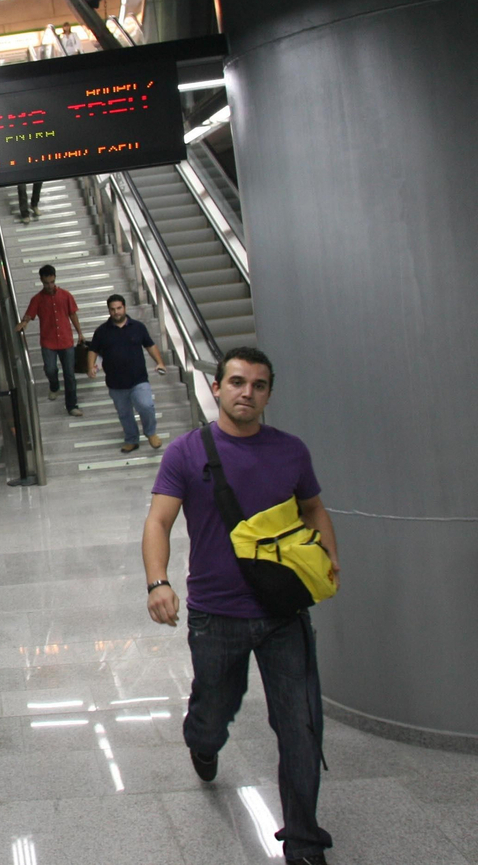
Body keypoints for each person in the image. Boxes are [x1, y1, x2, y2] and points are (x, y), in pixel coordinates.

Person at [141, 348, 340, 865]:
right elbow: (159, 522)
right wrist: (157, 582)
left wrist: (328, 556)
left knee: (299, 725)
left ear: (268, 393)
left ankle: (302, 841)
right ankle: (202, 740)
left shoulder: (291, 451)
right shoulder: (186, 452)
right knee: (213, 712)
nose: (246, 392)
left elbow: (313, 507)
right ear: (217, 386)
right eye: (236, 382)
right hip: (215, 615)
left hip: (283, 612)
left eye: (257, 384)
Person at [87, 293, 167, 452]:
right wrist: (90, 366)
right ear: (109, 311)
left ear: (124, 307)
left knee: (146, 406)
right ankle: (132, 439)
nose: (116, 312)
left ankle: (151, 433)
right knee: (124, 414)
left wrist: (160, 362)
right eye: (112, 309)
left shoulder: (138, 327)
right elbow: (93, 350)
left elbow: (150, 345)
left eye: (119, 308)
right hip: (116, 384)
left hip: (138, 380)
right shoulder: (102, 331)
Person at [15, 264, 83, 416]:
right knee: (50, 369)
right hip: (48, 342)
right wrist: (23, 323)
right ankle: (54, 385)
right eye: (46, 283)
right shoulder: (37, 299)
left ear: (55, 279)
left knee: (70, 375)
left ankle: (72, 405)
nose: (50, 286)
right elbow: (29, 315)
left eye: (52, 282)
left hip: (66, 341)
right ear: (41, 280)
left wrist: (80, 333)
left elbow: (72, 315)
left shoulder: (65, 295)